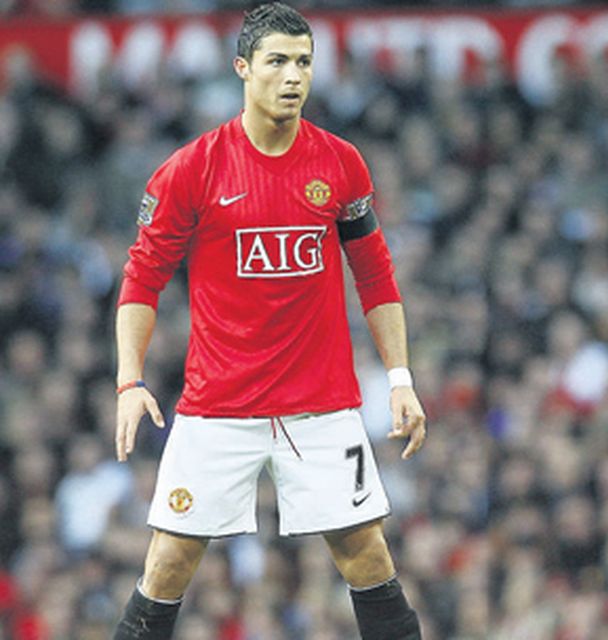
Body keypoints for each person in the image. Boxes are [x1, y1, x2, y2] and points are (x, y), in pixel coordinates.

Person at [110, 4, 426, 639]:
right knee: (167, 563)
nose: (293, 76)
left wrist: (399, 377)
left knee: (368, 555)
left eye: (303, 62)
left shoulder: (340, 164)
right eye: (277, 61)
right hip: (218, 407)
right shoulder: (193, 169)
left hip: (322, 405)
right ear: (242, 69)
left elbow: (374, 274)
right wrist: (129, 380)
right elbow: (143, 277)